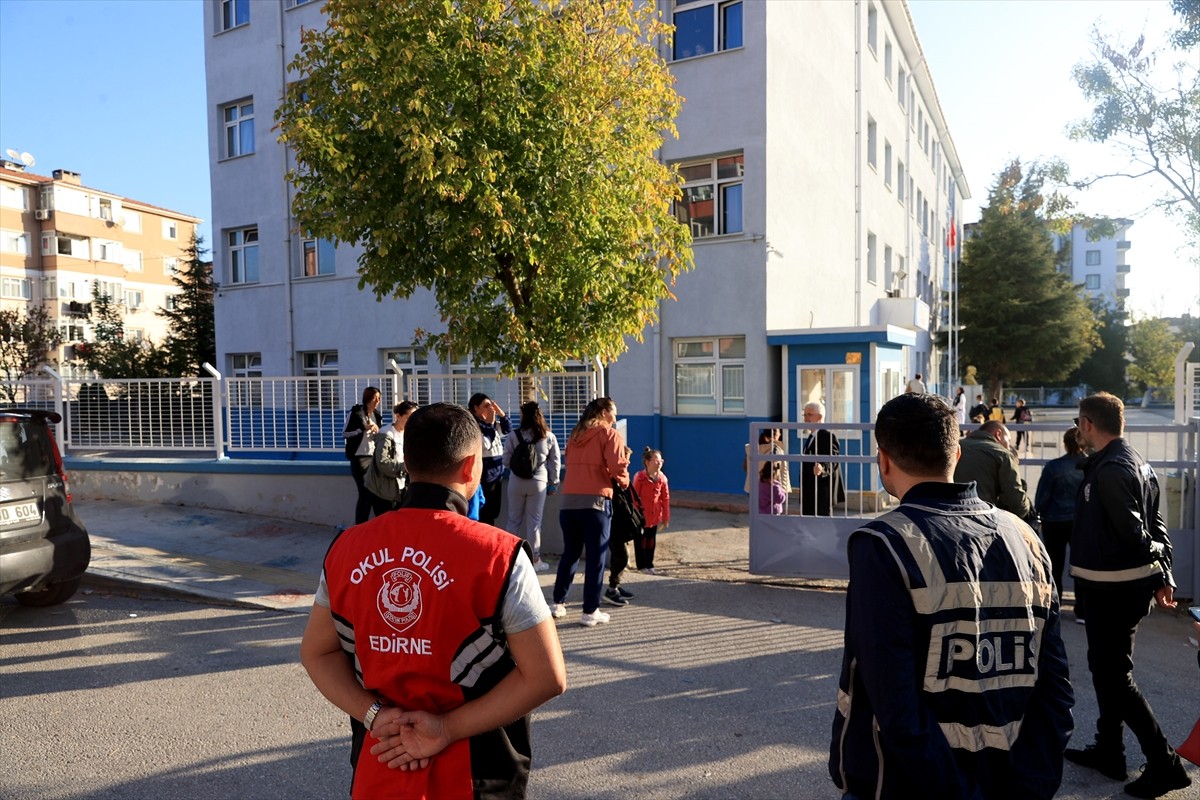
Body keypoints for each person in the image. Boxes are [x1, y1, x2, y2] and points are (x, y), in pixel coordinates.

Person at [299, 402, 567, 800]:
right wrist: (445, 729)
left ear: (406, 463)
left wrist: (375, 715)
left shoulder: (345, 549)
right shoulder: (500, 556)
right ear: (471, 466)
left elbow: (316, 654)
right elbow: (547, 676)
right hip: (478, 773)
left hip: (381, 762)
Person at [829, 393, 1073, 800]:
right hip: (1012, 780)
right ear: (956, 454)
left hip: (906, 785)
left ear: (883, 460)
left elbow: (896, 707)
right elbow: (1056, 688)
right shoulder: (1025, 536)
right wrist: (1033, 785)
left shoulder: (884, 545)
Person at [1065, 392, 1192, 798]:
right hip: (1110, 588)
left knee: (1115, 677)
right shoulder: (1130, 461)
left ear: (1087, 423)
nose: (1076, 430)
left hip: (1115, 591)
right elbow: (1159, 525)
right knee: (1105, 671)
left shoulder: (1112, 469)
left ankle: (1165, 764)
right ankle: (1109, 750)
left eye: (1077, 423)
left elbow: (1139, 534)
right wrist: (1164, 571)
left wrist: (1159, 565)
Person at [552, 397, 630, 627]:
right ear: (604, 412)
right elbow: (617, 467)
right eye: (613, 413)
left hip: (569, 502)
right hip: (596, 502)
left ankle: (558, 603)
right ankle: (590, 611)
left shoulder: (575, 435)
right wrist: (624, 481)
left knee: (571, 553)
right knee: (596, 558)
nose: (614, 418)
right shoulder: (610, 434)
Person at [502, 401, 560, 573]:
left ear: (523, 416)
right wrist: (553, 483)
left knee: (513, 520)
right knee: (534, 523)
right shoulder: (548, 437)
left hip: (516, 482)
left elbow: (505, 460)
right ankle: (534, 559)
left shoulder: (514, 435)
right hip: (539, 482)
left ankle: (510, 558)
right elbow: (555, 463)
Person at [1034, 426, 1086, 603]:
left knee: (1054, 565)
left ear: (1065, 443)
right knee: (1081, 565)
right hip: (1081, 521)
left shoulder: (1053, 467)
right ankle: (1082, 609)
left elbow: (1042, 497)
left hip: (1054, 521)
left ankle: (1055, 602)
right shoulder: (1091, 465)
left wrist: (1038, 515)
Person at [953, 420, 1033, 520]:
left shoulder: (954, 447)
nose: (1008, 446)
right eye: (1008, 440)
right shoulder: (1003, 454)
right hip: (982, 519)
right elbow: (1016, 502)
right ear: (998, 434)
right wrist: (1027, 507)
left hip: (946, 515)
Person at [364, 401, 419, 516]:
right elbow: (383, 463)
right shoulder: (386, 435)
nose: (412, 422)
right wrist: (405, 467)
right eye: (408, 418)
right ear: (398, 416)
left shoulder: (408, 433)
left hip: (399, 487)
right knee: (386, 525)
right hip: (384, 490)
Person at [468, 393, 512, 527]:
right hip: (485, 474)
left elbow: (506, 430)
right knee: (484, 512)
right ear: (476, 408)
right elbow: (485, 444)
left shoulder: (490, 425)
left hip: (496, 474)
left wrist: (502, 415)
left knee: (493, 511)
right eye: (486, 406)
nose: (490, 409)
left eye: (491, 406)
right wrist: (489, 425)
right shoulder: (474, 425)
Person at [605, 450, 641, 607]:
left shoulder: (619, 476)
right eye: (626, 459)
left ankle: (615, 586)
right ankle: (611, 590)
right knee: (622, 557)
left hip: (619, 524)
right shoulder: (613, 476)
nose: (628, 463)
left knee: (619, 556)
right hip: (613, 524)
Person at [343, 386, 383, 525]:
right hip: (360, 458)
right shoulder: (356, 412)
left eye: (379, 398)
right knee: (365, 492)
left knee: (375, 493)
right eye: (375, 398)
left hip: (373, 457)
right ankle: (360, 525)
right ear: (368, 398)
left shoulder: (376, 415)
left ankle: (376, 524)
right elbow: (345, 433)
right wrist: (362, 429)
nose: (377, 401)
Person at [800, 401, 844, 516]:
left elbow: (832, 459)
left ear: (819, 417)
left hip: (820, 493)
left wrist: (822, 468)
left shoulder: (827, 436)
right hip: (809, 492)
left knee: (821, 527)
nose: (805, 418)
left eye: (809, 415)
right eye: (804, 415)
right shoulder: (811, 436)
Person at [633, 447, 670, 575]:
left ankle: (650, 564)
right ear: (647, 462)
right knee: (641, 542)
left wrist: (665, 518)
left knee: (651, 542)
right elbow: (634, 498)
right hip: (641, 517)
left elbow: (665, 499)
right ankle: (642, 565)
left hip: (654, 517)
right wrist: (635, 516)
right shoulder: (640, 477)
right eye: (656, 461)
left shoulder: (662, 479)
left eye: (661, 461)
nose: (659, 463)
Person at [744, 428, 790, 500]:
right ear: (767, 438)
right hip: (770, 487)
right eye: (777, 435)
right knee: (771, 510)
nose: (780, 435)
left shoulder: (752, 450)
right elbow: (782, 471)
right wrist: (784, 488)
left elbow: (745, 467)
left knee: (756, 509)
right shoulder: (776, 450)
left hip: (753, 486)